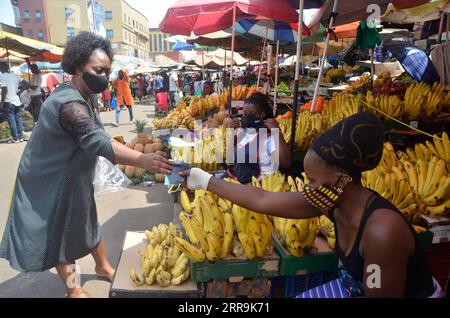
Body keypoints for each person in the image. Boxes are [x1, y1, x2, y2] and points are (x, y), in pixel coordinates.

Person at [184, 112, 441, 298]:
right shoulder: (331, 199)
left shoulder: (381, 233)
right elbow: (263, 199)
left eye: (313, 179)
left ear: (341, 179)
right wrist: (203, 180)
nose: (307, 186)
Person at [0, 32, 172, 298]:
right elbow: (95, 140)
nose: (104, 76)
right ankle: (73, 289)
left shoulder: (85, 93)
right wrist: (142, 159)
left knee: (87, 217)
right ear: (78, 66)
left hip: (73, 171)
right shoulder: (68, 103)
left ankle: (102, 266)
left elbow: (100, 136)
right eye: (98, 69)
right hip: (48, 178)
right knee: (60, 233)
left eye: (107, 70)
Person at [223, 93, 291, 184]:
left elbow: (286, 162)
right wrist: (232, 133)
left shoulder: (268, 139)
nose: (247, 116)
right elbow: (229, 159)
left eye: (253, 113)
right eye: (245, 113)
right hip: (238, 184)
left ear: (263, 114)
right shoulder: (244, 133)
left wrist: (276, 131)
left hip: (258, 188)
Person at [0, 62, 24, 143]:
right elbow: (26, 84)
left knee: (12, 120)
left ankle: (15, 138)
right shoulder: (15, 75)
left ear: (1, 68)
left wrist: (1, 102)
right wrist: (20, 92)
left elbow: (4, 90)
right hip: (17, 100)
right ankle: (20, 137)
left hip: (9, 101)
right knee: (18, 118)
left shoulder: (3, 76)